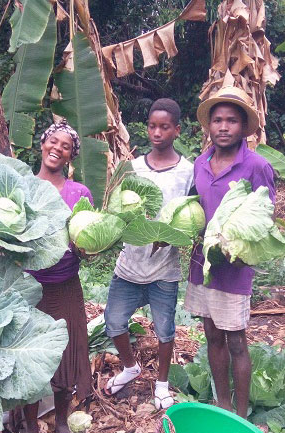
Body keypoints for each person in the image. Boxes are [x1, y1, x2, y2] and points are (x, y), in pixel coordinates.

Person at [184, 86, 276, 418]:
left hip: (233, 266)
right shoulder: (200, 163)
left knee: (236, 339)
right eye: (218, 120)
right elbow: (193, 206)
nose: (224, 127)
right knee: (211, 334)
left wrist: (234, 244)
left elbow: (265, 215)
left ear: (243, 127)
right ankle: (223, 405)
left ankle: (241, 413)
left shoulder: (256, 165)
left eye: (232, 121)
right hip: (201, 263)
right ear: (209, 125)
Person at [103, 98, 194, 409]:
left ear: (177, 130)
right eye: (152, 126)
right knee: (114, 322)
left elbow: (191, 214)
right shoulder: (133, 167)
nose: (157, 132)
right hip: (129, 265)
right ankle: (131, 368)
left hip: (164, 270)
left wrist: (174, 237)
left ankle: (162, 385)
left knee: (165, 329)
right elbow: (115, 207)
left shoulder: (188, 172)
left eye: (164, 127)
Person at [13, 121, 92, 433]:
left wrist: (88, 246)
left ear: (72, 154)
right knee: (29, 358)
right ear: (42, 143)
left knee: (66, 354)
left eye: (66, 146)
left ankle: (61, 421)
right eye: (53, 141)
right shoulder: (19, 187)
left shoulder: (80, 193)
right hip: (28, 287)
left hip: (65, 285)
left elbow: (88, 243)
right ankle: (29, 427)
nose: (57, 149)